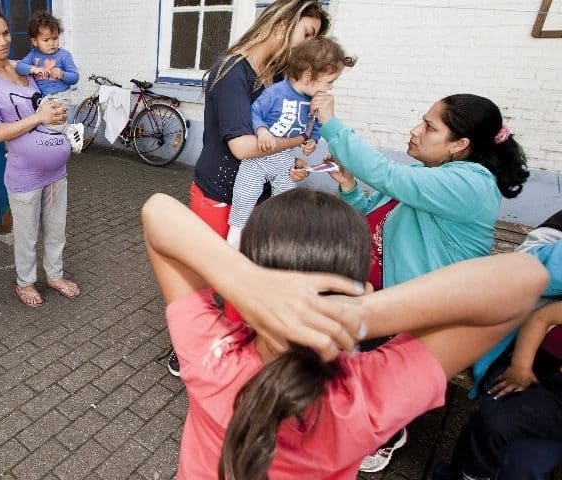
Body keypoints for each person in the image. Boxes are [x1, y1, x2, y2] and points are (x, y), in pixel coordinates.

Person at [141, 190, 547, 480]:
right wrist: (361, 314)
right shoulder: (368, 396)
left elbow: (157, 210)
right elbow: (527, 279)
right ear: (362, 285)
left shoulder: (211, 353)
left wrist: (241, 281)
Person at [292, 92, 530, 471]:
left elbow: (387, 175)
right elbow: (369, 214)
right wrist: (349, 186)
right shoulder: (428, 173)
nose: (415, 131)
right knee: (336, 347)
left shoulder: (471, 184)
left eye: (430, 126)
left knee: (369, 370)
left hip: (415, 310)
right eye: (421, 121)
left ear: (460, 144)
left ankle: (386, 432)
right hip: (379, 292)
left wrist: (332, 124)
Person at [172, 0, 330, 376]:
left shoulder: (275, 76)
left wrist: (291, 164)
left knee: (244, 276)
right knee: (206, 277)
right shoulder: (233, 72)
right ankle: (187, 348)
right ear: (281, 23)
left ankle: (232, 349)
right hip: (217, 193)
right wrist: (297, 143)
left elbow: (276, 134)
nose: (309, 47)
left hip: (255, 193)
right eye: (306, 34)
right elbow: (243, 146)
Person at [434, 209, 562, 480]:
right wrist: (521, 365)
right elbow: (528, 275)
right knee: (496, 426)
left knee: (522, 462)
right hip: (530, 363)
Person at [0, 6, 80, 308]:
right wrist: (40, 117)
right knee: (28, 236)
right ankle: (25, 282)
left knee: (56, 231)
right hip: (25, 175)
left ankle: (55, 276)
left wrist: (56, 113)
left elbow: (44, 100)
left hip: (56, 169)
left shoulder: (21, 68)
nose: (4, 41)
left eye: (6, 33)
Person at [226, 36, 355, 248]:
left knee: (284, 203)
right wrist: (262, 131)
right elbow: (254, 111)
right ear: (308, 75)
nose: (330, 88)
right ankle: (233, 240)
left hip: (285, 158)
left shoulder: (315, 100)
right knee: (244, 198)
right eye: (329, 82)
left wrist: (312, 140)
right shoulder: (276, 93)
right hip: (259, 157)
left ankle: (271, 241)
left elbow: (317, 124)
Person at [14, 10, 84, 154]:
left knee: (48, 119)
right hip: (43, 98)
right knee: (41, 121)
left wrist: (62, 74)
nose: (52, 43)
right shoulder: (34, 55)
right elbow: (19, 67)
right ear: (35, 41)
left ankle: (70, 130)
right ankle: (30, 148)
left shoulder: (64, 55)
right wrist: (33, 69)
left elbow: (75, 77)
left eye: (55, 38)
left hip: (60, 95)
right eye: (46, 40)